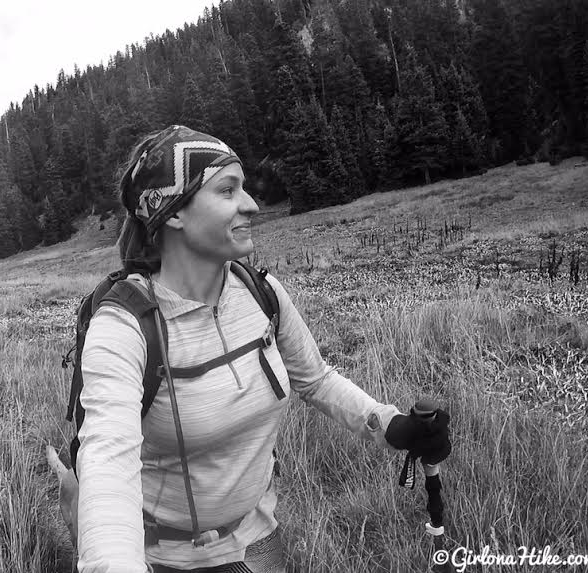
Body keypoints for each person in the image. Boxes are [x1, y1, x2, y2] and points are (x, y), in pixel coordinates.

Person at [75, 125, 451, 572]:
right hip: (161, 558)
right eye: (228, 189)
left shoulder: (262, 294)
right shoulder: (125, 324)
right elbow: (107, 460)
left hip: (258, 538)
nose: (251, 204)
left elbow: (316, 379)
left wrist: (389, 424)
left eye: (245, 188)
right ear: (172, 212)